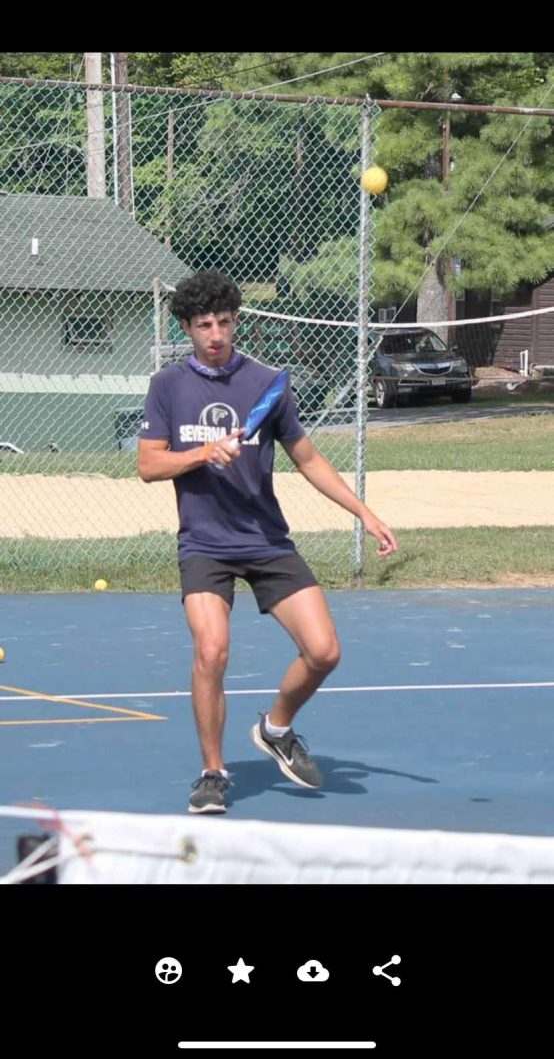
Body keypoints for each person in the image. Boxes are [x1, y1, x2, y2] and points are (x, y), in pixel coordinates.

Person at [138, 270, 398, 814]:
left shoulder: (267, 382)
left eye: (225, 322)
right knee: (211, 650)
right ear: (186, 326)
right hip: (204, 543)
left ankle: (277, 728)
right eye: (204, 324)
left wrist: (363, 513)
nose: (216, 334)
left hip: (265, 538)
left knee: (325, 650)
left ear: (236, 322)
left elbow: (307, 459)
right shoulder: (168, 386)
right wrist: (202, 455)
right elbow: (148, 464)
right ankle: (213, 773)